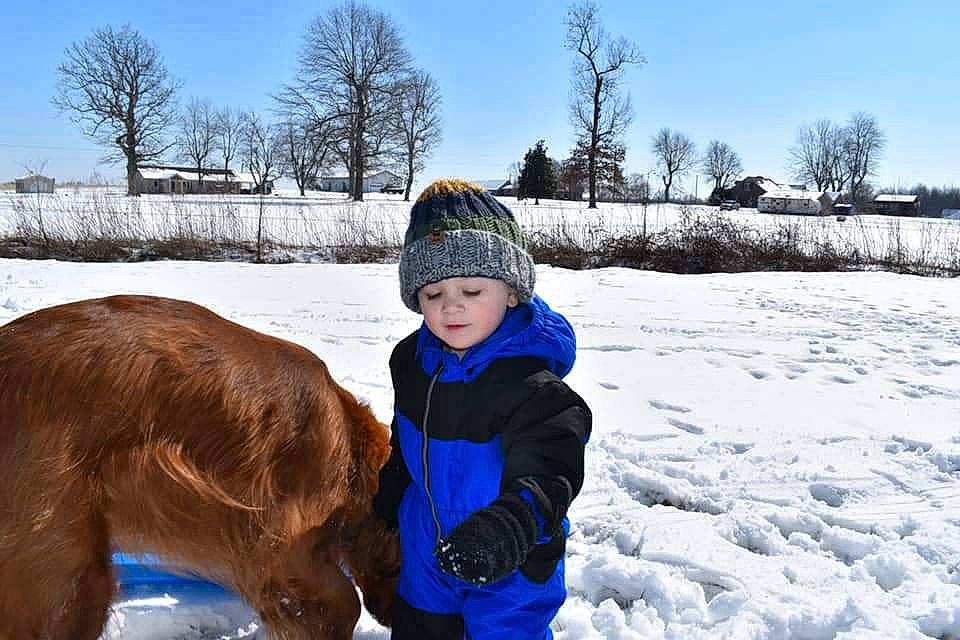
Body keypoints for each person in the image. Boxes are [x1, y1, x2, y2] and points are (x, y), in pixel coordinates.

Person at [373, 179, 592, 639]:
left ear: (511, 292)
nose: (451, 307)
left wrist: (508, 528)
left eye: (471, 291)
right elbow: (407, 432)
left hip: (510, 557)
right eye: (433, 294)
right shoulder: (410, 363)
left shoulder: (533, 388)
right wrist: (392, 487)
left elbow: (550, 475)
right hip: (426, 548)